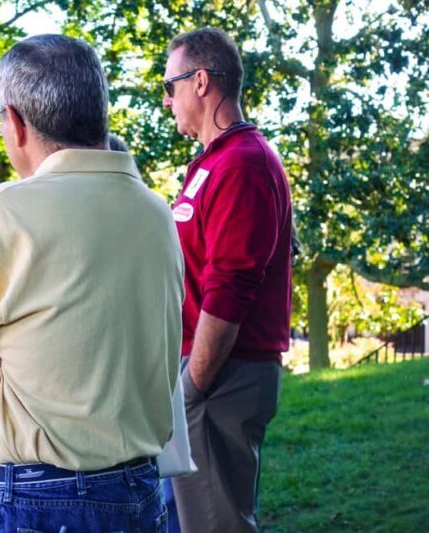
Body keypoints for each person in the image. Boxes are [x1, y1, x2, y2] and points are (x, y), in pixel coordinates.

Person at [0, 34, 184, 531]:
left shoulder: (3, 211)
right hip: (140, 490)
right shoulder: (157, 213)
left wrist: (12, 388)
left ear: (15, 122)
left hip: (38, 496)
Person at [161, 28, 293, 532]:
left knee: (215, 527)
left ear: (199, 82)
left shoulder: (243, 163)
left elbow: (231, 284)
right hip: (206, 372)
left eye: (170, 86)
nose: (167, 100)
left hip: (221, 376)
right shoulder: (215, 161)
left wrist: (193, 384)